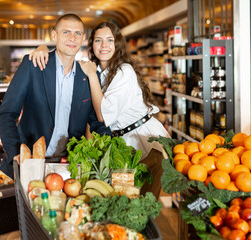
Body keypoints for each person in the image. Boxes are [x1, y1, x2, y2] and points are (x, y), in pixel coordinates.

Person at [30, 22, 170, 198]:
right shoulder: (94, 70)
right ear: (91, 45)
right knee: (125, 201)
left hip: (146, 143)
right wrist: (42, 48)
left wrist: (90, 75)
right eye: (98, 40)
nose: (104, 45)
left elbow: (102, 115)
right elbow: (63, 58)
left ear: (117, 44)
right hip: (124, 144)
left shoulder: (123, 71)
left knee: (144, 204)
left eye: (109, 40)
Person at [0, 14, 111, 179]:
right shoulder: (33, 64)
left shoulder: (88, 75)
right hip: (30, 161)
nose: (72, 38)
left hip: (68, 166)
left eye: (78, 33)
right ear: (54, 35)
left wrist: (106, 152)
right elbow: (6, 114)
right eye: (66, 32)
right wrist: (15, 152)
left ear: (84, 38)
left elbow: (97, 122)